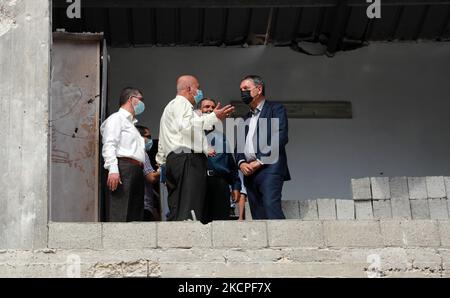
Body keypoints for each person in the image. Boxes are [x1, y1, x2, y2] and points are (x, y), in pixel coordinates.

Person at [156, 75, 234, 223]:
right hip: (188, 160)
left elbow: (163, 140)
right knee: (191, 207)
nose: (199, 91)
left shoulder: (169, 108)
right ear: (189, 89)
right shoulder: (182, 103)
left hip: (174, 160)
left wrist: (162, 163)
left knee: (177, 207)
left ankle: (177, 242)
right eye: (198, 87)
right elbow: (187, 127)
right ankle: (188, 242)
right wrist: (214, 117)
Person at [236, 75, 290, 219]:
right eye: (241, 90)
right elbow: (239, 146)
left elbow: (281, 136)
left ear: (259, 89)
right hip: (249, 173)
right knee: (257, 214)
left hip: (269, 169)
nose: (243, 92)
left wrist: (259, 161)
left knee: (271, 207)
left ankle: (281, 242)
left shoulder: (275, 109)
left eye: (246, 89)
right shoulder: (244, 118)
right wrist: (241, 163)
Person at [100, 87, 146, 222]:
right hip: (123, 167)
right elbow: (109, 144)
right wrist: (113, 169)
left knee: (135, 213)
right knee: (120, 211)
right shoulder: (116, 119)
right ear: (131, 99)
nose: (142, 103)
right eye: (140, 100)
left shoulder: (131, 125)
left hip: (136, 169)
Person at [197, 98, 241, 223]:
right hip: (199, 183)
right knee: (200, 222)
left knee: (221, 222)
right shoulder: (191, 135)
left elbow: (231, 164)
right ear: (199, 111)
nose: (210, 109)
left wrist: (236, 186)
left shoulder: (221, 137)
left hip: (220, 183)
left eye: (212, 107)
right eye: (206, 107)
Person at [136, 125, 161, 221]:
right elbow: (151, 178)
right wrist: (163, 170)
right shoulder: (142, 153)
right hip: (144, 206)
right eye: (148, 137)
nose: (150, 140)